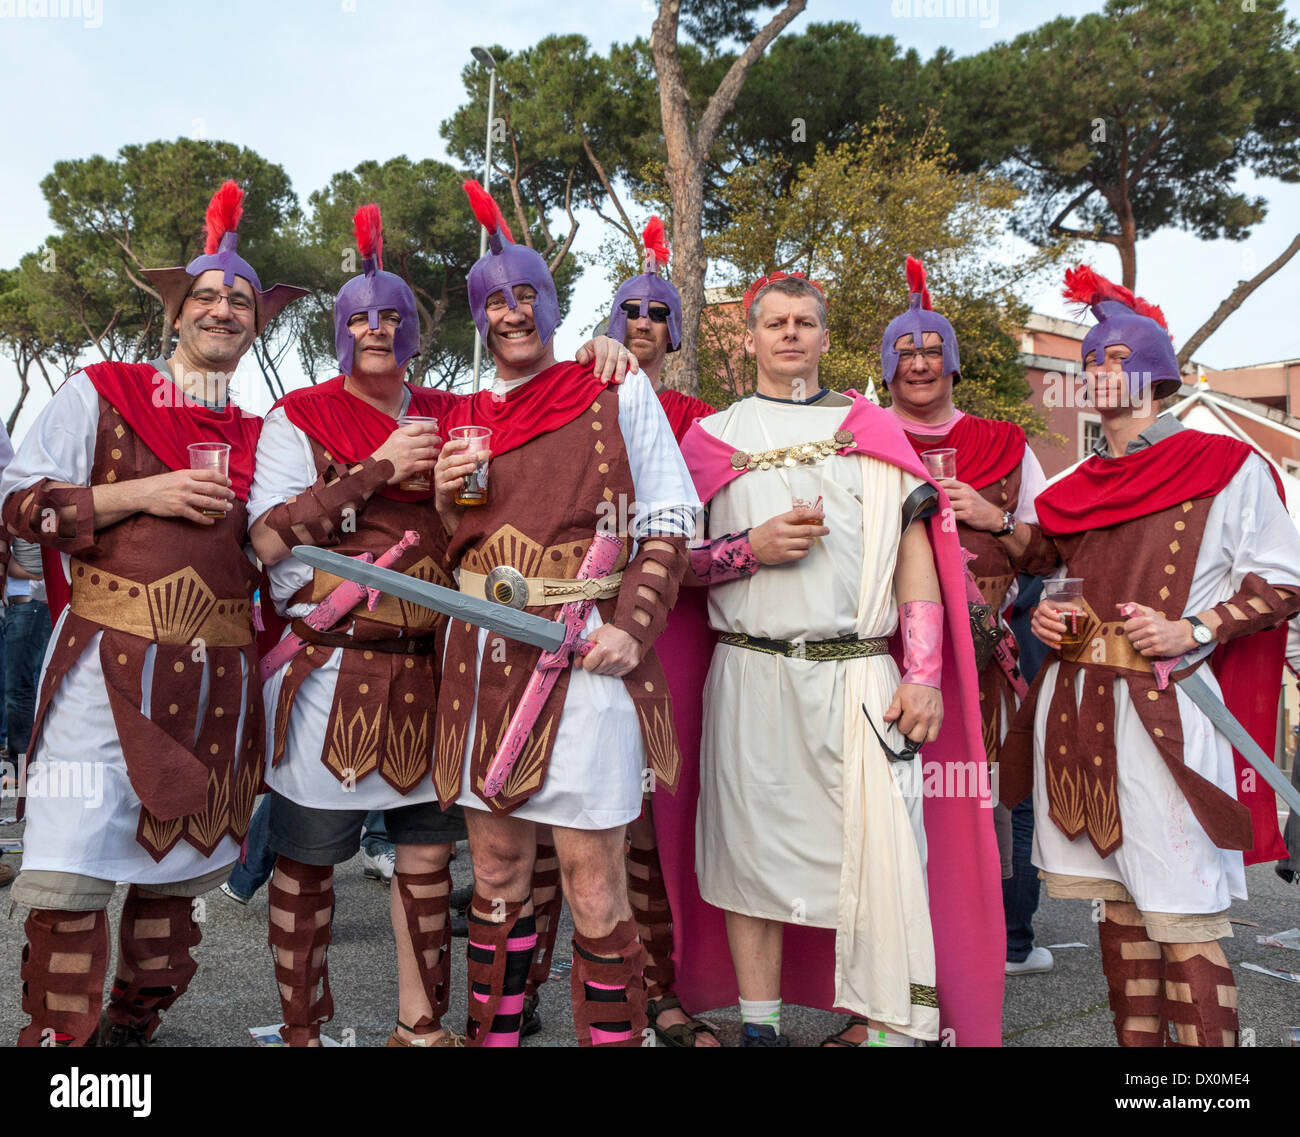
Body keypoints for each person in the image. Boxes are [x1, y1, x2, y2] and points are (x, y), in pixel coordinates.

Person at [0, 180, 307, 1046]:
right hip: (102, 669)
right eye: (206, 296)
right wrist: (145, 491)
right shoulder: (101, 392)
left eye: (240, 300)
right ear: (176, 314)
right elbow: (21, 504)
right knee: (70, 879)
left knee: (171, 896)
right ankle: (61, 1051)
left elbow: (280, 549)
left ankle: (128, 1036)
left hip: (216, 681)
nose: (222, 309)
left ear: (257, 325)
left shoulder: (266, 435)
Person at [680, 271, 1005, 1046]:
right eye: (775, 322)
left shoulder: (875, 432)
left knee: (881, 854)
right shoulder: (710, 438)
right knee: (745, 859)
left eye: (805, 322)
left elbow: (915, 557)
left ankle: (890, 1025)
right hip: (749, 670)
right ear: (751, 338)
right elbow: (671, 565)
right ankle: (761, 1027)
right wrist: (742, 551)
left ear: (827, 338)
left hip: (862, 673)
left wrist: (924, 675)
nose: (790, 333)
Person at [430, 182, 697, 1047]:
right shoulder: (461, 417)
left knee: (590, 875)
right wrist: (440, 504)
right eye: (493, 302)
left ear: (549, 302)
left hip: (583, 656)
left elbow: (668, 519)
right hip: (478, 661)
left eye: (525, 296)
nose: (511, 314)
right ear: (478, 318)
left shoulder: (614, 389)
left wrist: (632, 624)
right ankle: (493, 1039)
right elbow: (455, 547)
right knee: (498, 869)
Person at [1005, 265, 1300, 1047]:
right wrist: (1049, 615)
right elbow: (1046, 561)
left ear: (1156, 369)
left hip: (1168, 717)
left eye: (1117, 356)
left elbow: (1285, 579)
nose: (1101, 370)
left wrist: (1196, 627)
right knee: (1122, 907)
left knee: (1183, 913)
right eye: (1092, 359)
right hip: (1081, 716)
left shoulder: (1226, 465)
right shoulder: (1075, 482)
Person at [248, 204, 470, 1047]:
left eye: (394, 317)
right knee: (307, 862)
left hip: (434, 669)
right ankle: (304, 1027)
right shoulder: (298, 416)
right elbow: (269, 542)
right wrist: (379, 471)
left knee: (425, 863)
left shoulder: (459, 412)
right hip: (332, 668)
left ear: (415, 330)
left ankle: (420, 1027)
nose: (378, 329)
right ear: (341, 331)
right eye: (361, 318)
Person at [880, 257, 1055, 992]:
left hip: (986, 656)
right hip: (882, 650)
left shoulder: (1006, 444)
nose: (920, 363)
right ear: (887, 366)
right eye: (905, 351)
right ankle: (893, 970)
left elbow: (1049, 551)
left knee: (984, 806)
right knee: (889, 810)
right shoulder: (856, 435)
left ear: (952, 361)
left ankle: (984, 955)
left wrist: (995, 516)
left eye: (932, 350)